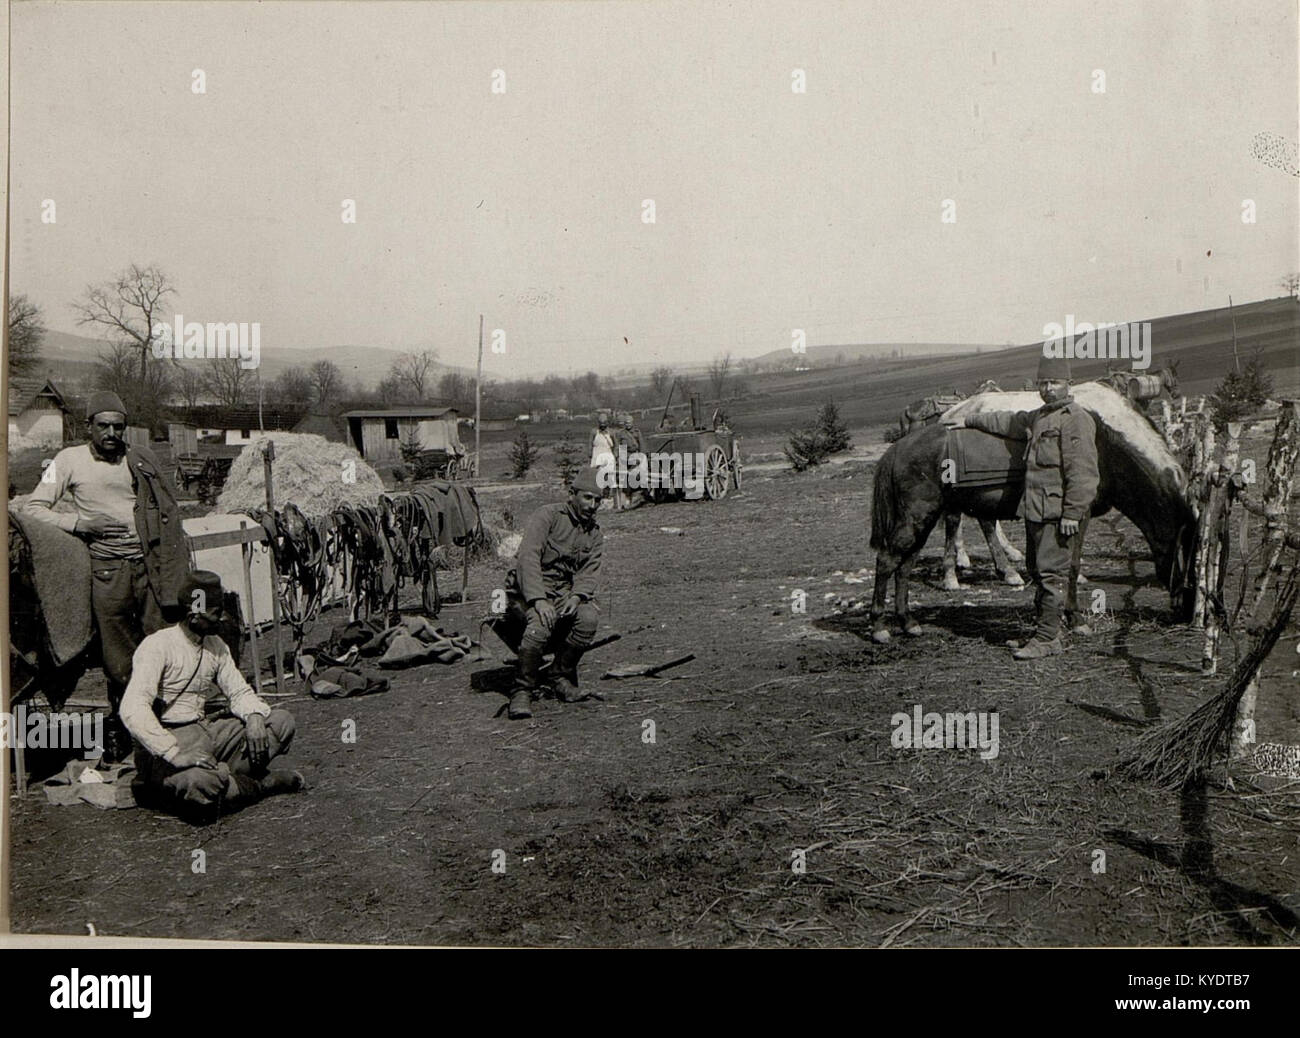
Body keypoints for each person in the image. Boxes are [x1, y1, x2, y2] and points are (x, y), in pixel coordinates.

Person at [22, 391, 189, 759]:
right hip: (107, 571)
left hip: (149, 568)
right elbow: (32, 508)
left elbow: (166, 508)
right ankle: (123, 729)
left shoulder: (138, 458)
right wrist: (80, 523)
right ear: (89, 426)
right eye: (104, 425)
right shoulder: (67, 460)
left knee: (159, 644)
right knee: (118, 657)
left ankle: (163, 729)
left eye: (118, 426)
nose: (112, 432)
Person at [943, 354, 1098, 659]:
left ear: (1068, 384)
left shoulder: (1076, 419)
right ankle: (1043, 631)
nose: (1048, 388)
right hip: (1035, 511)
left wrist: (1072, 513)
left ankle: (1047, 639)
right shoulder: (1039, 417)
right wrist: (969, 419)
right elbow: (1006, 421)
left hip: (1057, 515)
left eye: (1054, 382)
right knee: (1038, 572)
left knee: (1051, 574)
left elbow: (1084, 473)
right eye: (1043, 383)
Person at [121, 571, 304, 820]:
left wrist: (253, 717)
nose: (222, 618)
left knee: (282, 722)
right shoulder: (158, 646)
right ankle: (263, 785)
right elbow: (132, 708)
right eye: (216, 612)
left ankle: (227, 780)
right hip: (168, 741)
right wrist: (174, 753)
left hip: (206, 732)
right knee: (200, 782)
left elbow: (238, 691)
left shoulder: (215, 645)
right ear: (194, 615)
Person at [502, 467, 604, 719]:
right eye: (587, 498)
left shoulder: (594, 533)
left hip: (562, 593)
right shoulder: (547, 516)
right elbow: (527, 558)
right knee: (540, 624)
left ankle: (558, 676)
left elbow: (590, 571)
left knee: (588, 618)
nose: (593, 505)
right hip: (525, 590)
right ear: (572, 494)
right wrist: (537, 600)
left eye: (598, 500)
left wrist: (577, 596)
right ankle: (522, 689)